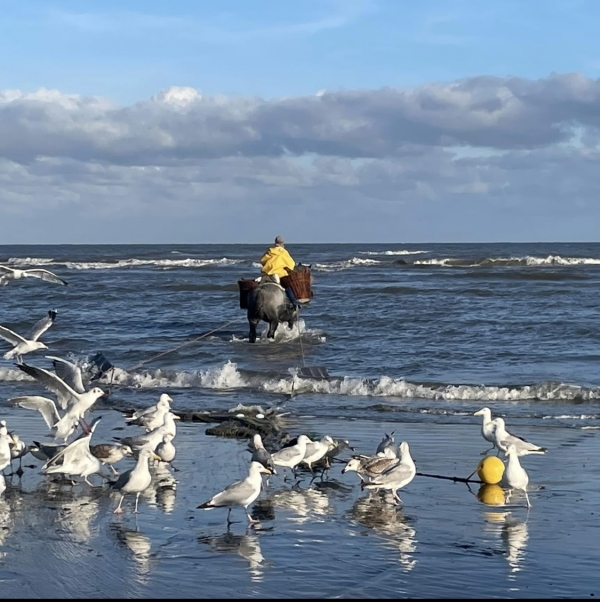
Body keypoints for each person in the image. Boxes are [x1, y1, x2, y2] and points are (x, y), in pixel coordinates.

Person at [259, 236, 302, 307]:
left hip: (268, 274)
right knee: (288, 286)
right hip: (280, 274)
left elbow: (262, 260)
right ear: (283, 243)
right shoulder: (284, 252)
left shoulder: (270, 251)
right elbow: (291, 264)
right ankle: (294, 302)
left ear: (275, 242)